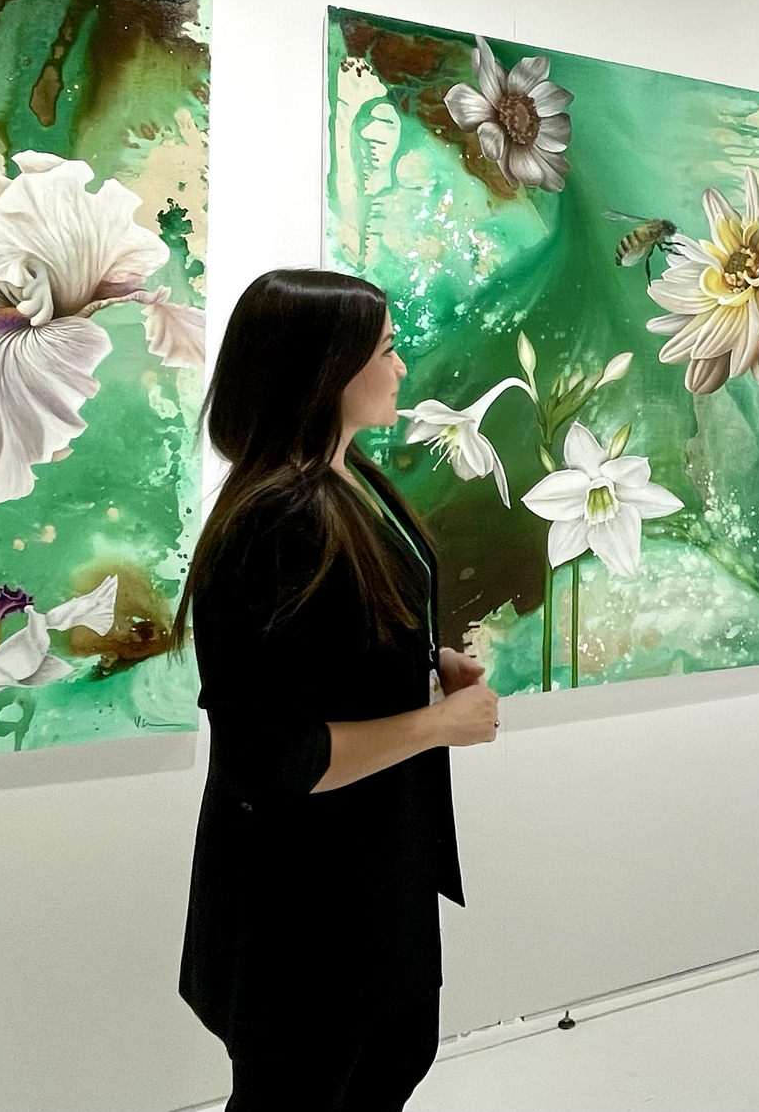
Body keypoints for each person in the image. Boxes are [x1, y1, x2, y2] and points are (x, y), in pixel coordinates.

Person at [176, 268, 500, 1111]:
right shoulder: (277, 520)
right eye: (386, 349)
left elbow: (340, 644)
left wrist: (430, 660)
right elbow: (279, 752)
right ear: (325, 368)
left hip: (374, 863)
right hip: (306, 902)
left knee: (386, 1063)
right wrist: (437, 722)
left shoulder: (348, 479)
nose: (401, 367)